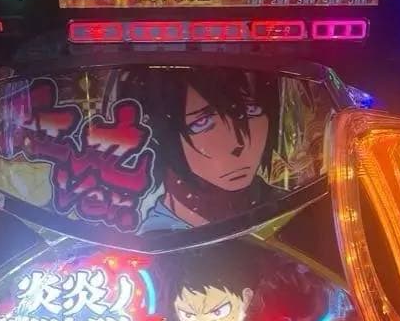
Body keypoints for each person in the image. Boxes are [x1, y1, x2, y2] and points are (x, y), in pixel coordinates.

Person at [103, 66, 281, 231]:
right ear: (157, 134)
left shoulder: (286, 207)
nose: (238, 144)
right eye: (201, 123)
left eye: (251, 111)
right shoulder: (144, 237)